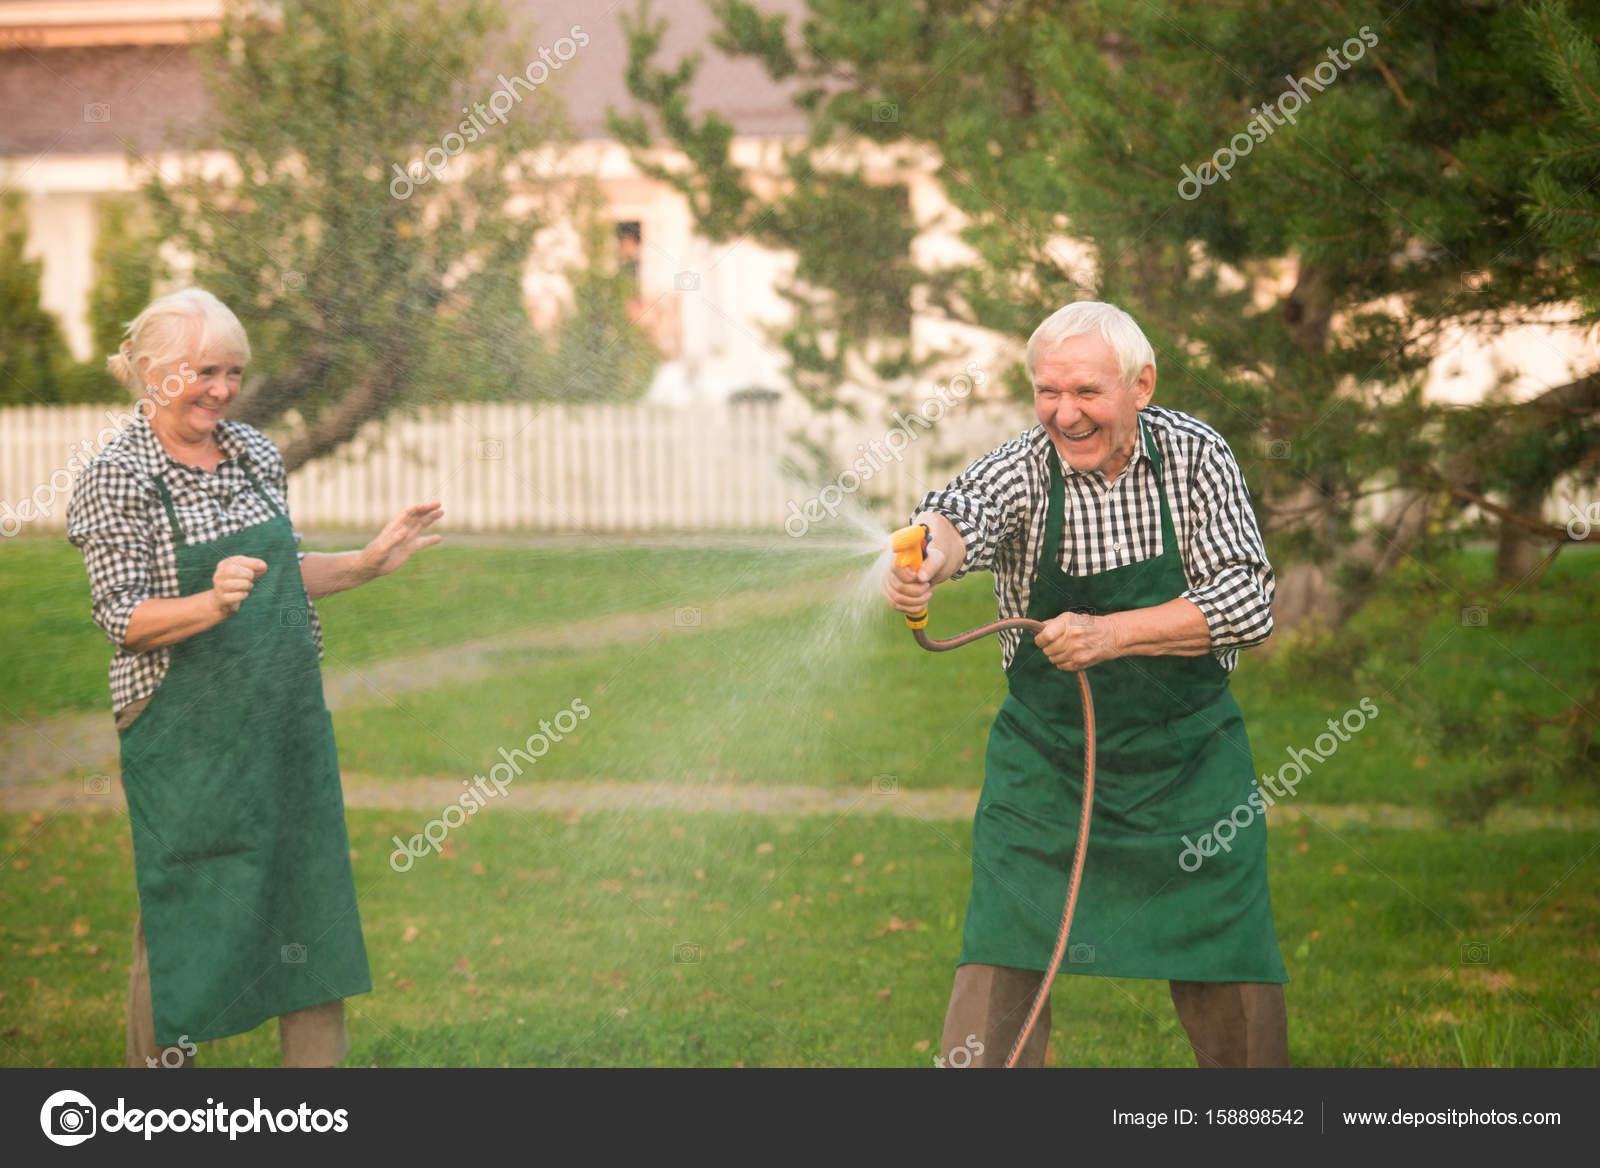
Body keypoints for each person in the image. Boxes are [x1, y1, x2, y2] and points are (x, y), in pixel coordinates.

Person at [881, 301, 1289, 1068]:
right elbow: (959, 511)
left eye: (1086, 393)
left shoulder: (1197, 457)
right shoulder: (1024, 465)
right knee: (1002, 947)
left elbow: (1249, 601)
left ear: (1142, 385)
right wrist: (926, 561)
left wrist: (1112, 634)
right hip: (1047, 761)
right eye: (1048, 392)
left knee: (1228, 955)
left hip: (1190, 760)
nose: (1064, 415)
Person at [67, 288, 443, 1068]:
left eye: (234, 372)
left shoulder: (255, 452)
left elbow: (279, 577)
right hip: (184, 729)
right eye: (206, 370)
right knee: (184, 912)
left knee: (308, 901)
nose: (224, 389)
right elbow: (121, 615)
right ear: (150, 372)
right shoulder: (116, 475)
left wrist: (367, 564)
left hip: (281, 713)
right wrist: (208, 603)